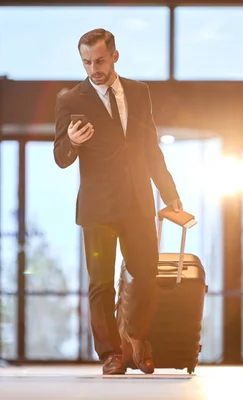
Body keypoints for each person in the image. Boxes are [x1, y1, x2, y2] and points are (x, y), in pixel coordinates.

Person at [53, 28, 183, 375]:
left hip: (138, 201)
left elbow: (151, 148)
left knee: (147, 275)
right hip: (98, 208)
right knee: (100, 283)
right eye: (85, 62)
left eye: (98, 60)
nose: (92, 68)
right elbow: (61, 158)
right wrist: (72, 141)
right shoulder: (71, 100)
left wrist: (169, 194)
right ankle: (110, 353)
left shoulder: (140, 93)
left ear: (114, 56)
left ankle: (136, 336)